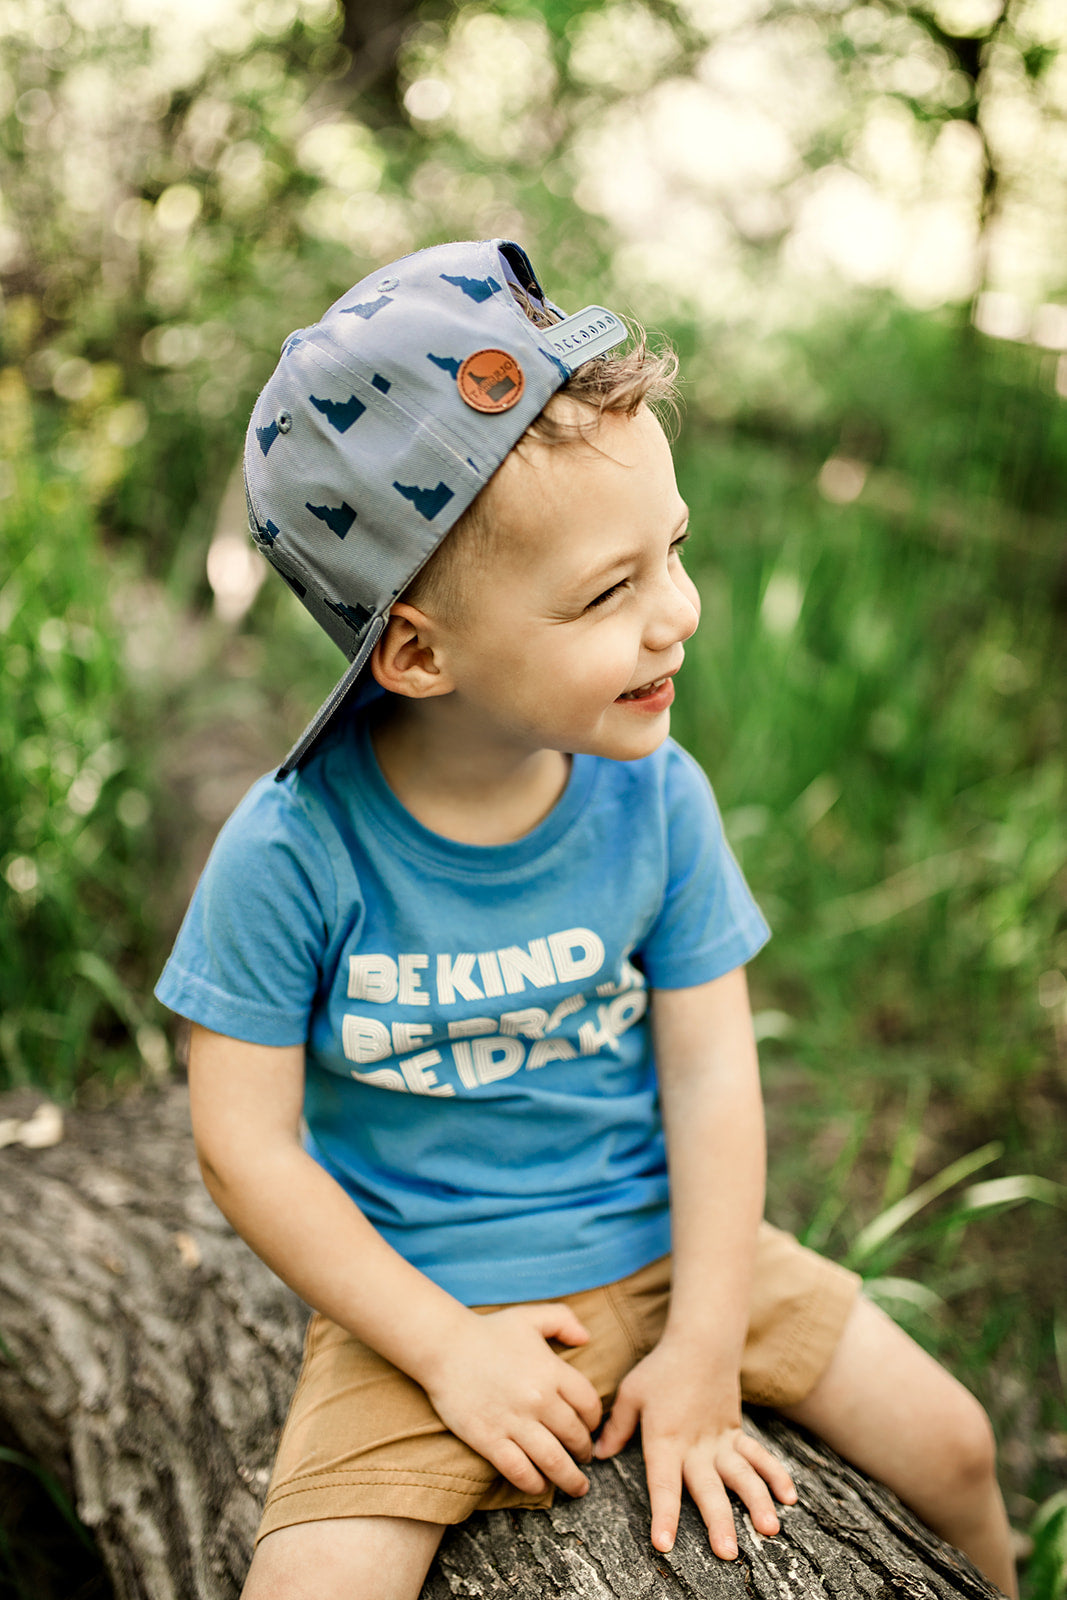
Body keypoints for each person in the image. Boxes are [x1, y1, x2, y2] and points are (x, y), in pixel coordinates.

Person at [156, 239, 1017, 1599]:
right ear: (419, 651)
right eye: (608, 593)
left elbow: (714, 1072)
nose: (679, 615)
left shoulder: (656, 800)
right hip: (425, 1292)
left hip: (678, 1248)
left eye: (670, 553)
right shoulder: (294, 848)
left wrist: (709, 1344)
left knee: (958, 1449)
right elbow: (244, 1144)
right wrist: (443, 1348)